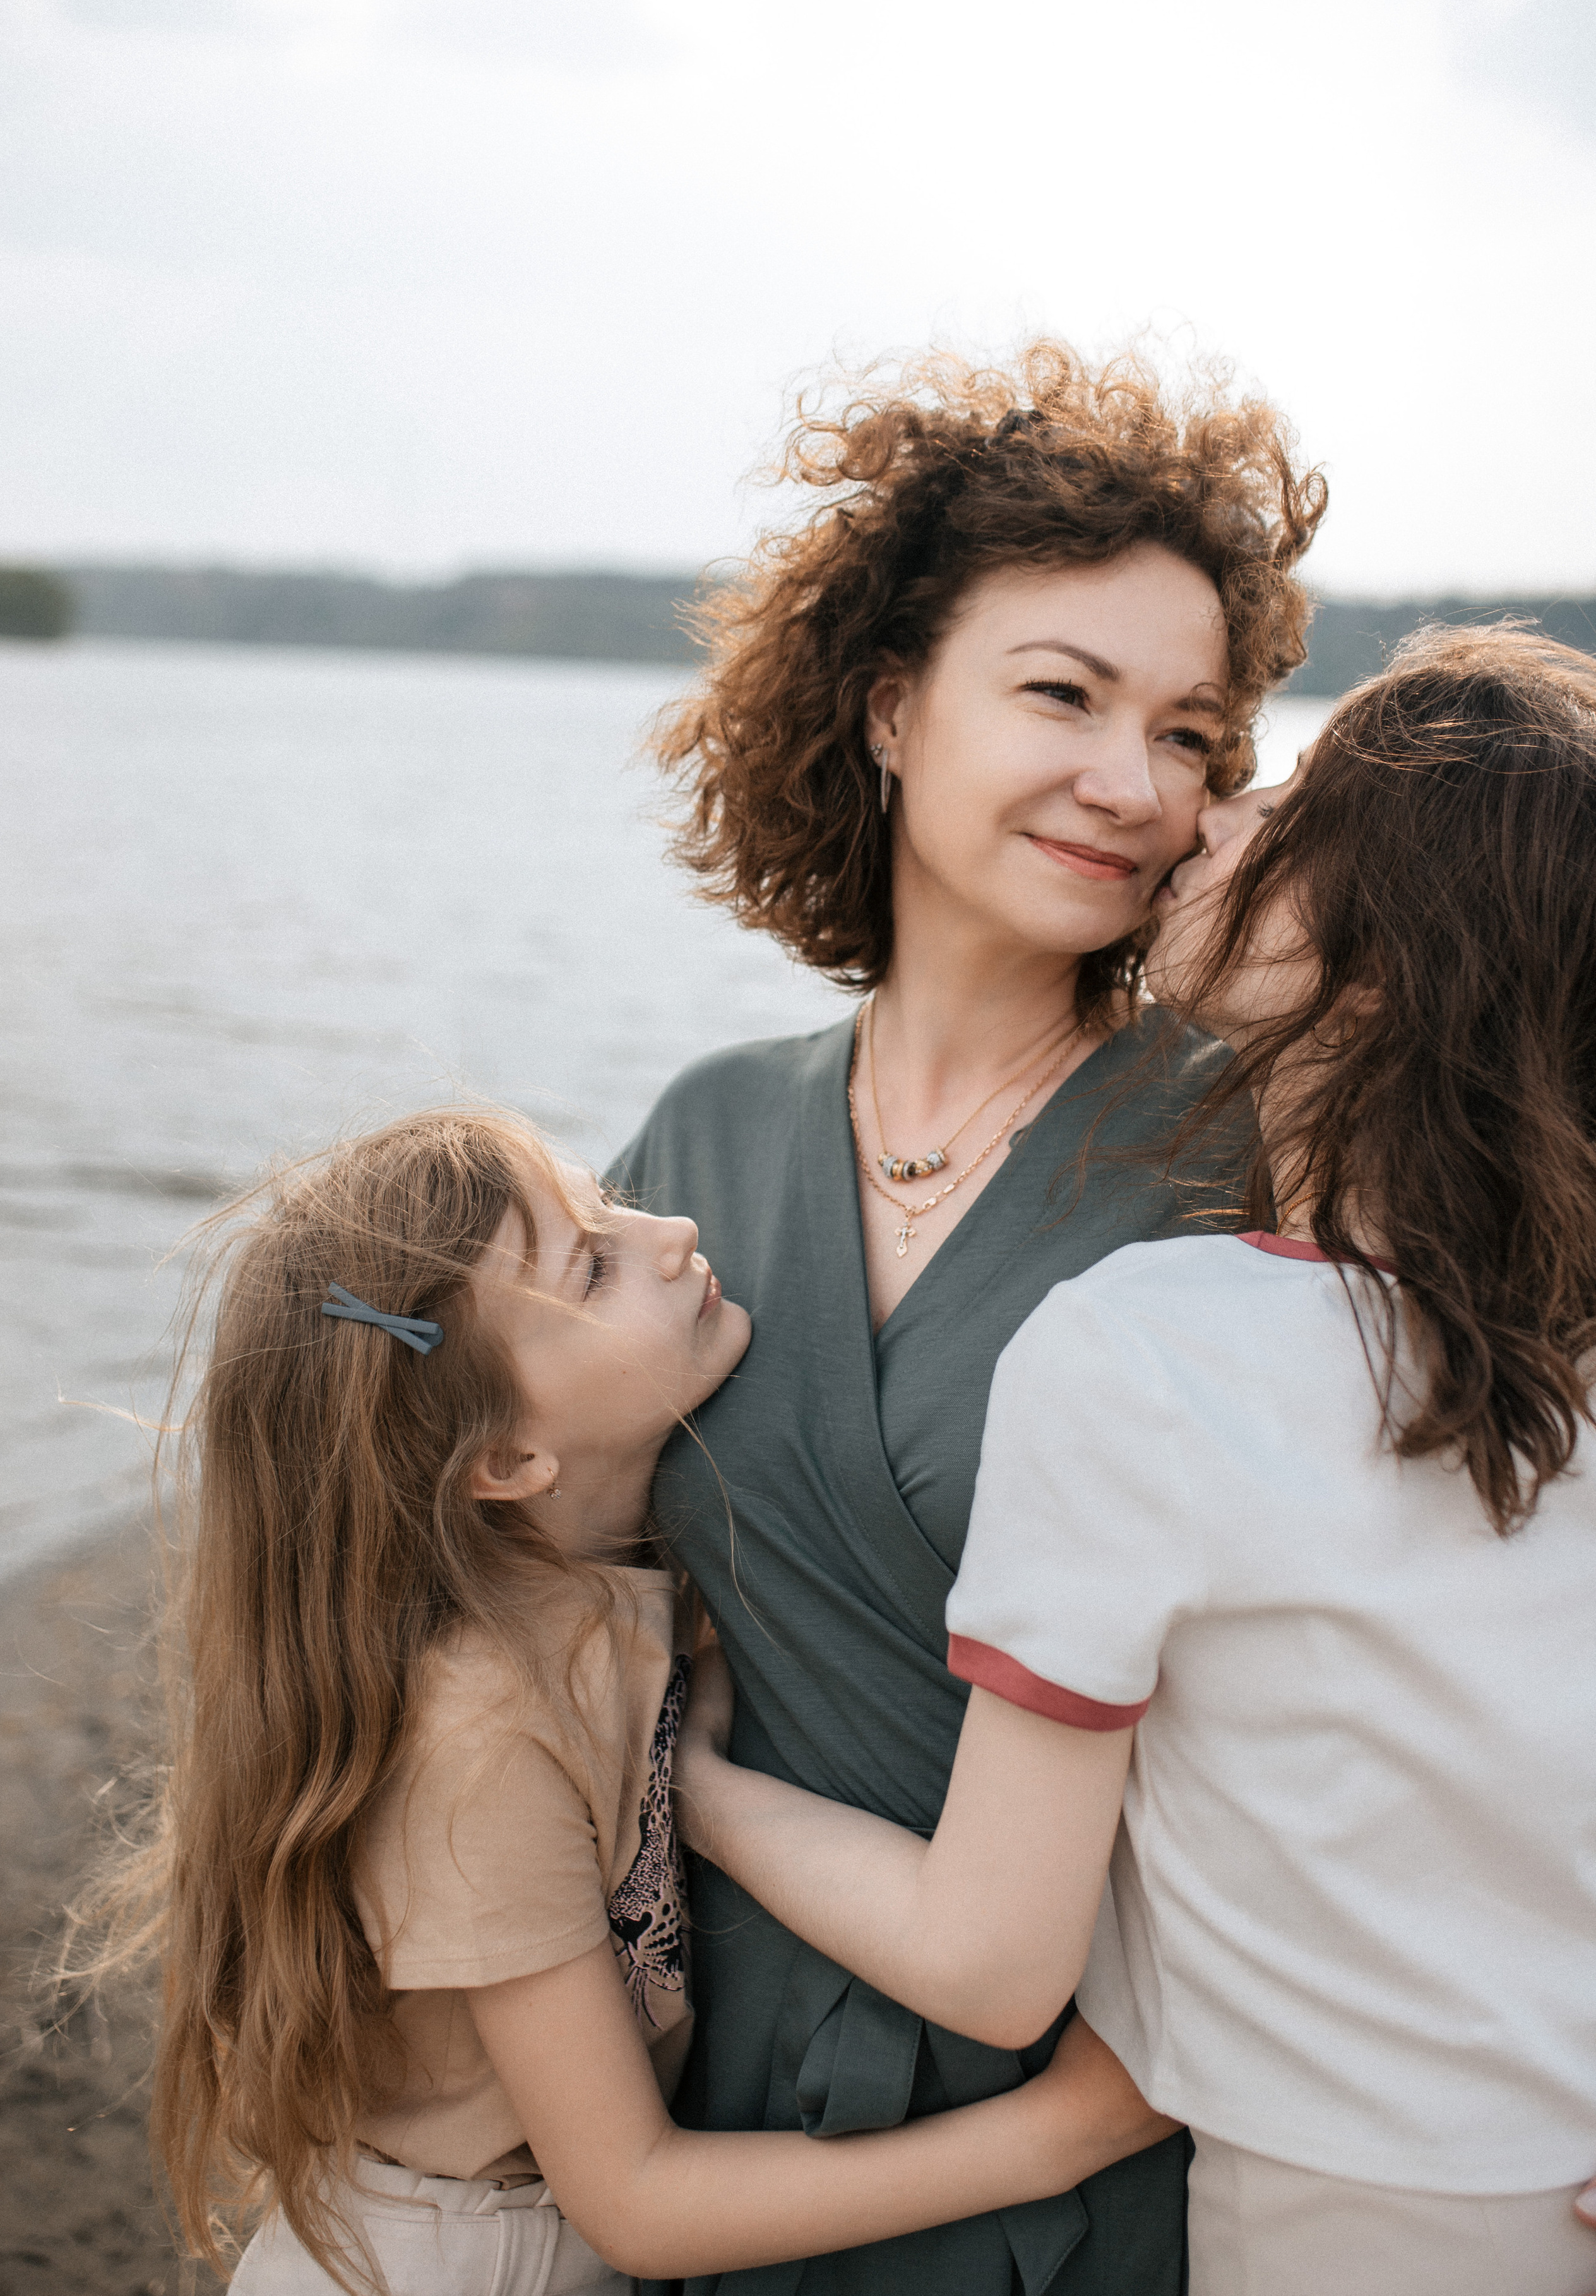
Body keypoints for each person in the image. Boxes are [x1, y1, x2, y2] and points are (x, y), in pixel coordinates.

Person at [674, 625, 1596, 2296]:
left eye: (1290, 806)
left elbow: (988, 1962)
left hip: (1351, 2218)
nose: (1213, 810)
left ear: (1382, 963)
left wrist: (694, 1786)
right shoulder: (1559, 1348)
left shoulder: (1154, 1348)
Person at [612, 341, 1325, 2293]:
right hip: (722, 2082)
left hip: (1128, 2095)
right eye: (1064, 695)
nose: (1135, 783)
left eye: (1193, 735)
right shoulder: (702, 1135)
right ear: (892, 707)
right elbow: (534, 1578)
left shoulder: (1267, 1151)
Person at [76, 1108, 1174, 2296]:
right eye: (592, 1266)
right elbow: (635, 2200)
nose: (678, 1230)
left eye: (608, 1202)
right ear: (504, 1463)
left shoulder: (621, 1596)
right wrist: (1068, 2132)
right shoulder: (485, 1732)